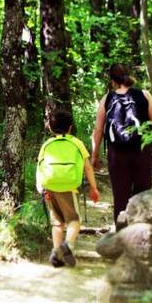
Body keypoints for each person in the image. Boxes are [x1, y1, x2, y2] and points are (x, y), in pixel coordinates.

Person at [91, 64, 152, 229]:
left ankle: (122, 233)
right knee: (144, 193)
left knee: (120, 195)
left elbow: (98, 130)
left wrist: (94, 155)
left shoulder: (107, 99)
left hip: (117, 155)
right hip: (143, 152)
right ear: (128, 76)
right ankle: (142, 231)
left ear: (112, 81)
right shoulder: (145, 95)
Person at [37, 110, 100, 267]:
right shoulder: (77, 143)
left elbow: (39, 167)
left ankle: (56, 253)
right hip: (69, 187)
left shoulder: (47, 145)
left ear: (50, 128)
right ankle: (68, 245)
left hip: (49, 187)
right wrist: (94, 187)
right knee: (74, 220)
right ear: (70, 127)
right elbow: (88, 168)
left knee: (57, 223)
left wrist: (40, 187)